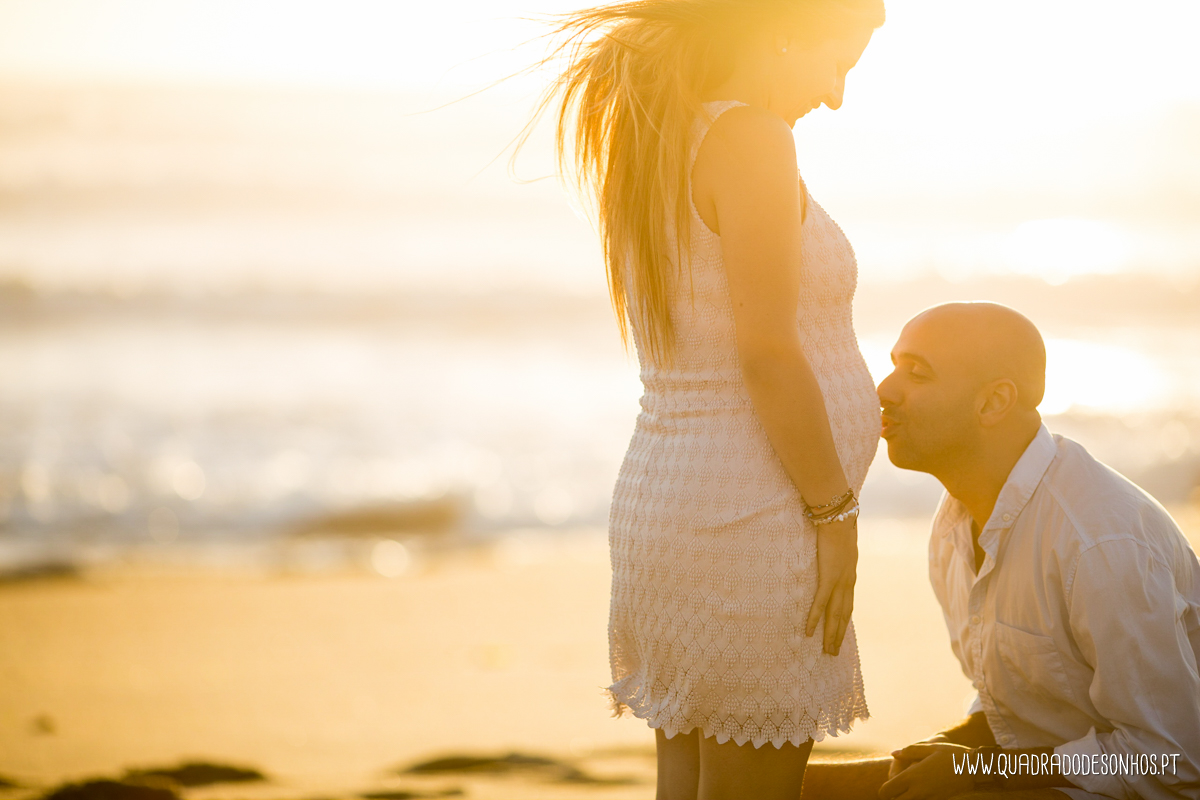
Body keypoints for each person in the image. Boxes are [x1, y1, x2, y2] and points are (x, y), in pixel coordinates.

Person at [532, 0, 885, 797]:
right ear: (785, 28)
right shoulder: (752, 140)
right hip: (748, 527)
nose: (835, 96)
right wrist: (836, 517)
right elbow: (767, 353)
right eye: (840, 62)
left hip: (675, 513)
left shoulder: (659, 137)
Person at [801, 302, 1200, 800]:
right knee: (785, 789)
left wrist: (981, 771)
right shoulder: (954, 525)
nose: (883, 390)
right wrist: (945, 750)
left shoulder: (1100, 542)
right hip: (1045, 774)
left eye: (916, 373)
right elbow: (1016, 712)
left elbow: (1172, 758)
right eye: (894, 364)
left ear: (993, 402)